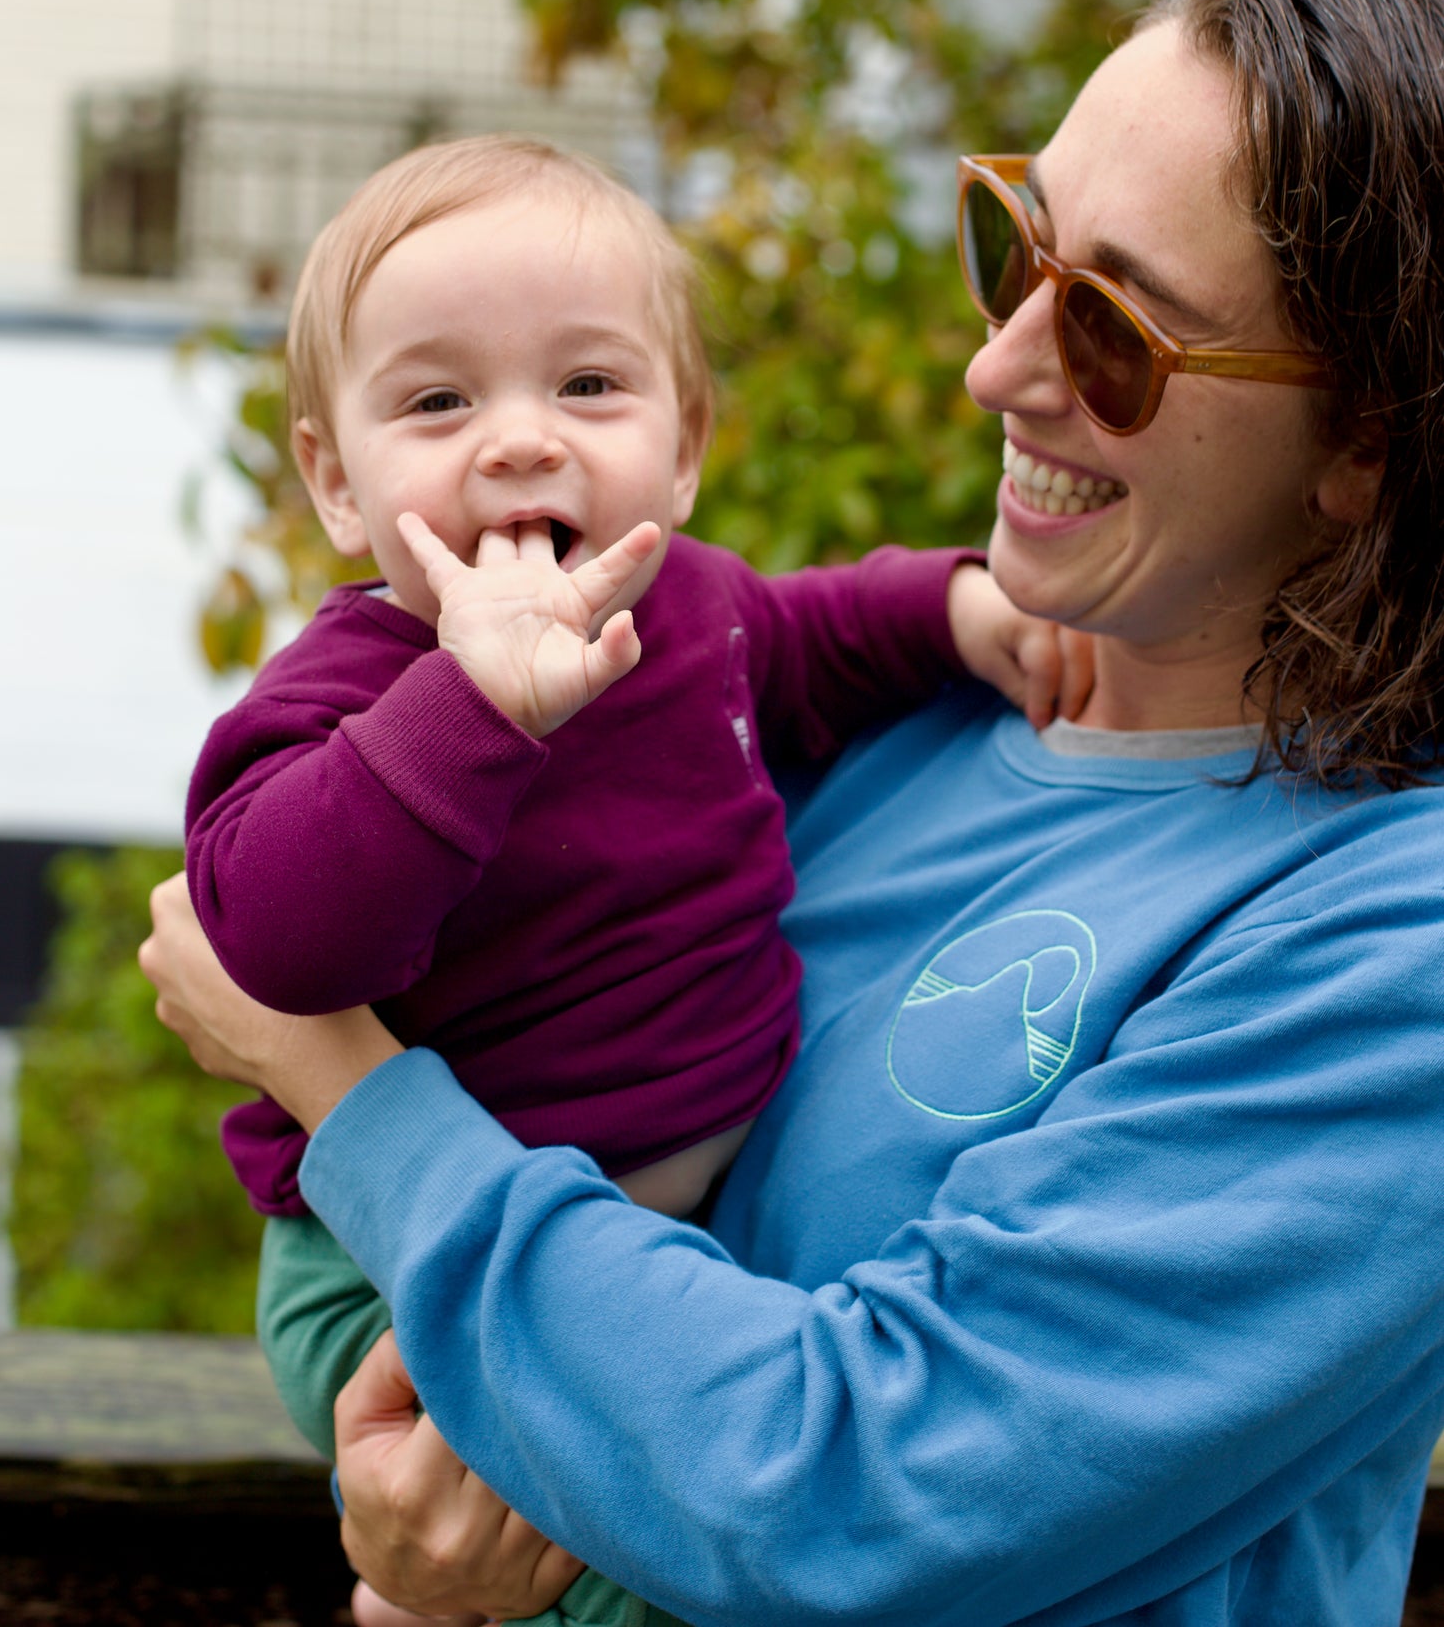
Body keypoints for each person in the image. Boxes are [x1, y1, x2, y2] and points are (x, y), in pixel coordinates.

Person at [145, 0, 1444, 1627]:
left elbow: (840, 1490)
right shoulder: (872, 748)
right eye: (1012, 245)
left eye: (1115, 331)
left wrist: (341, 1083)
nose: (995, 368)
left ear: (1365, 442)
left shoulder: (1386, 942)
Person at [184, 134, 1084, 1622]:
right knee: (627, 1577)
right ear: (337, 486)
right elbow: (274, 940)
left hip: (665, 1246)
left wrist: (955, 606)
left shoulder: (695, 611)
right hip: (395, 1272)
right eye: (437, 402)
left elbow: (814, 636)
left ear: (683, 445)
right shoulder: (341, 701)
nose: (522, 440)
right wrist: (469, 709)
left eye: (588, 387)